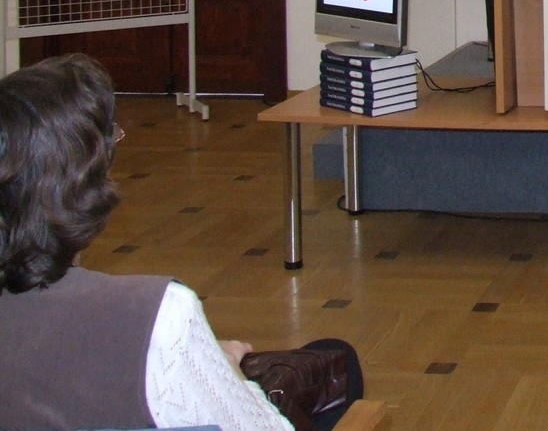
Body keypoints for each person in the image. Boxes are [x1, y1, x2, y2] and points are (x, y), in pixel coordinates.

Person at [0, 54, 362, 431]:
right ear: (84, 183)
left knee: (323, 357)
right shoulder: (156, 314)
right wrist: (227, 370)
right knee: (339, 365)